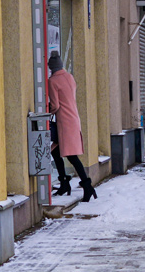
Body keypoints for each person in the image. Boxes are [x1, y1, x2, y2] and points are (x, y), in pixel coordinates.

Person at [47, 51, 95, 202]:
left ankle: (87, 187)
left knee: (72, 157)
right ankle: (64, 183)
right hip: (73, 119)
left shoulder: (52, 81)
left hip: (64, 123)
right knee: (55, 151)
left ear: (51, 67)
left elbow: (55, 105)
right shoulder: (70, 77)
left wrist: (44, 109)